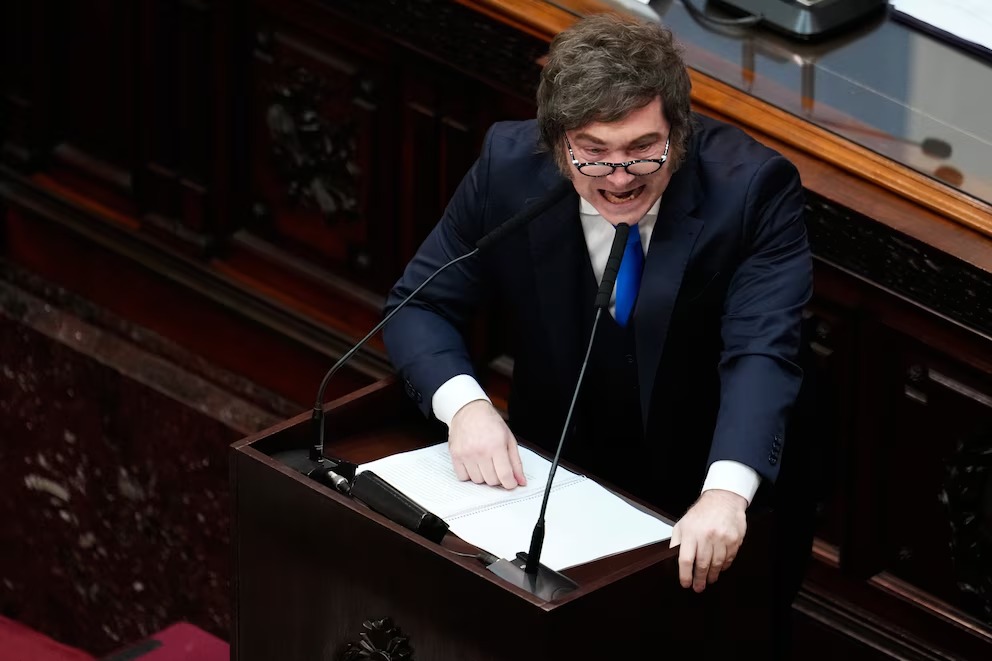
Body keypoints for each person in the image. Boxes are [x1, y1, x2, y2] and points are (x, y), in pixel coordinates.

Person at [382, 12, 815, 655]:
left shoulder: (753, 190)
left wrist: (726, 494)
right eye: (593, 152)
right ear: (557, 142)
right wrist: (466, 407)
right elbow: (418, 304)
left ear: (679, 131)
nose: (619, 176)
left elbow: (763, 351)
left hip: (705, 492)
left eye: (643, 149)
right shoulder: (508, 166)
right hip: (558, 480)